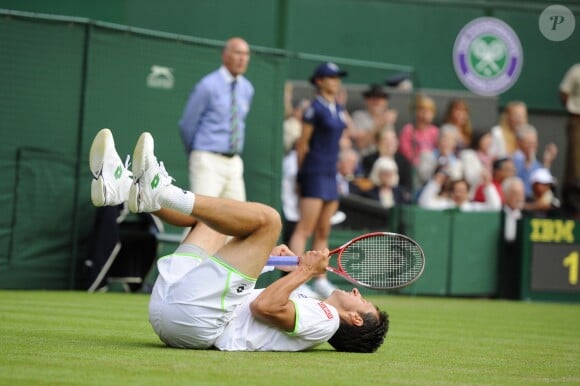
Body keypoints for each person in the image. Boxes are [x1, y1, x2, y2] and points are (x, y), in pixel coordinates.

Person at [89, 128, 388, 352]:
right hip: (177, 314)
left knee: (269, 220)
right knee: (215, 221)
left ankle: (160, 193)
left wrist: (305, 271)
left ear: (355, 319)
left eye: (363, 302)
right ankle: (124, 187)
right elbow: (255, 306)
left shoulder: (327, 319)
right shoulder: (313, 311)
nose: (355, 291)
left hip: (195, 319)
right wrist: (268, 260)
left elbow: (265, 308)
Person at [288, 62, 349, 298]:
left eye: (337, 77)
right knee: (305, 228)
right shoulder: (314, 108)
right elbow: (302, 144)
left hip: (331, 174)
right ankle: (297, 279)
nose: (336, 81)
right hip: (313, 172)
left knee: (323, 230)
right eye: (330, 77)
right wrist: (303, 174)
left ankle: (320, 279)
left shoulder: (339, 107)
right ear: (319, 81)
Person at [179, 37, 253, 201]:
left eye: (246, 54)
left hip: (234, 162)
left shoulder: (247, 88)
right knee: (203, 219)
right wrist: (197, 153)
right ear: (225, 56)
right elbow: (187, 124)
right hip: (207, 159)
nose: (243, 58)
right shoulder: (207, 85)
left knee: (237, 219)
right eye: (238, 53)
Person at [511, 124, 558, 199]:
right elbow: (524, 189)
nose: (532, 147)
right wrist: (528, 163)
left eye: (534, 143)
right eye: (529, 143)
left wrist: (547, 162)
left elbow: (544, 185)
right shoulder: (513, 161)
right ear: (519, 143)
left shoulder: (536, 164)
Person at [349, 84, 397, 156]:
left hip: (384, 159)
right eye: (372, 97)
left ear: (385, 102)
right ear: (367, 100)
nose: (376, 101)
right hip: (365, 160)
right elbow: (361, 143)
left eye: (380, 98)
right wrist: (381, 123)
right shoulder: (359, 116)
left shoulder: (388, 118)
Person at [498, 176, 526, 300]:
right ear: (505, 194)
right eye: (515, 193)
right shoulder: (498, 212)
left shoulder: (529, 214)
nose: (519, 197)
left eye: (521, 193)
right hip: (502, 255)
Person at [361, 129, 413, 194]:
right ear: (378, 142)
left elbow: (407, 188)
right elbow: (365, 183)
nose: (389, 143)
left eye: (393, 140)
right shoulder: (368, 160)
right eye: (386, 140)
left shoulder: (404, 162)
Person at [418, 172, 501, 212]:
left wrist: (488, 185)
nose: (459, 194)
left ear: (467, 193)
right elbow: (424, 203)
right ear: (451, 192)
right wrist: (435, 183)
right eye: (456, 190)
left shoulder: (473, 208)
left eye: (462, 191)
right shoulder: (444, 205)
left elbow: (494, 207)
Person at [559, 63, 580, 219]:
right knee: (575, 165)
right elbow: (564, 93)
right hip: (576, 119)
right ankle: (574, 206)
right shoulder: (576, 71)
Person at [399, 94, 439, 166]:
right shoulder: (408, 129)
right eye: (424, 110)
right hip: (412, 165)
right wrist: (416, 160)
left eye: (430, 111)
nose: (427, 113)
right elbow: (405, 151)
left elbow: (439, 150)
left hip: (432, 165)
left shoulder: (435, 131)